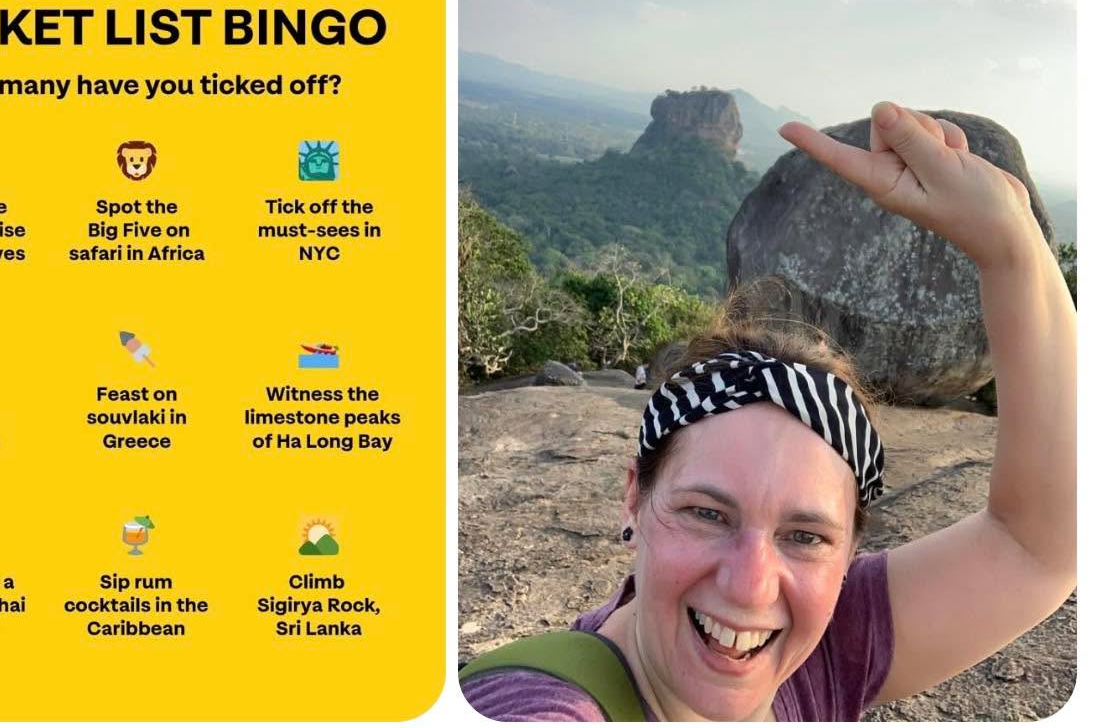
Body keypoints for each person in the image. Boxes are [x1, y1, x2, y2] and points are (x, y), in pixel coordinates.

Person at [459, 102, 1076, 721]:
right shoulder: (541, 705)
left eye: (805, 537)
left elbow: (1039, 544)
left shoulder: (824, 653)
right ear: (633, 501)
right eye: (706, 513)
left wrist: (1010, 244)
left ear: (849, 552)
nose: (750, 587)